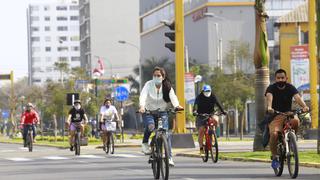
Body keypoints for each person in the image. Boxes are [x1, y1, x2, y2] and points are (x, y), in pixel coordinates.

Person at [138, 66, 183, 166]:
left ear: (163, 77)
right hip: (149, 111)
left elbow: (173, 97)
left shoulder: (167, 86)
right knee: (150, 127)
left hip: (163, 112)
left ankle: (169, 158)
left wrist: (177, 106)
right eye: (154, 75)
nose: (156, 77)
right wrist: (142, 106)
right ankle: (145, 143)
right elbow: (143, 95)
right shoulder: (148, 84)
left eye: (158, 75)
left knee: (166, 134)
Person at [265, 69, 309, 169]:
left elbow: (297, 97)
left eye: (282, 78)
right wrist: (269, 107)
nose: (280, 80)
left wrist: (304, 106)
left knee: (296, 121)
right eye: (278, 78)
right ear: (275, 79)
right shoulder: (271, 88)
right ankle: (275, 156)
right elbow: (269, 96)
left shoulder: (290, 87)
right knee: (274, 134)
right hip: (276, 115)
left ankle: (291, 138)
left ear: (286, 78)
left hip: (288, 114)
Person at [193, 85, 226, 156]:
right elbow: (195, 105)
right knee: (201, 131)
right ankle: (201, 148)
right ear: (203, 91)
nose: (207, 92)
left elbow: (218, 104)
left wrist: (223, 111)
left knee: (216, 119)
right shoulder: (199, 97)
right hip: (201, 115)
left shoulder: (213, 96)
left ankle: (213, 131)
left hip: (211, 113)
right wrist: (195, 111)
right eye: (206, 91)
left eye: (208, 91)